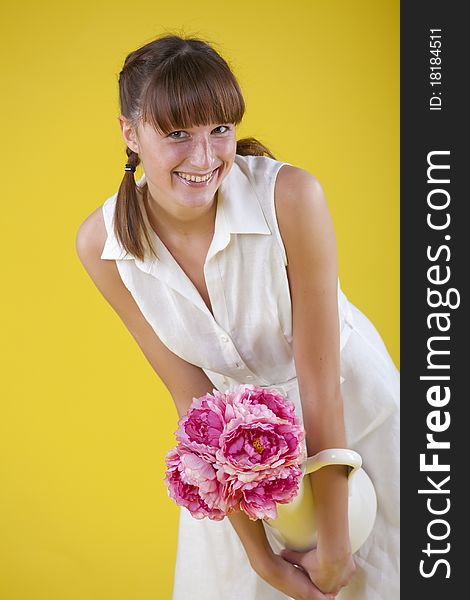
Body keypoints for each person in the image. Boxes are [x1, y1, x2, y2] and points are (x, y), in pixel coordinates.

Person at [75, 34, 399, 600]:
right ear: (130, 134)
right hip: (240, 459)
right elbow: (194, 403)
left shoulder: (292, 198)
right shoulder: (102, 245)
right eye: (177, 134)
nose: (204, 158)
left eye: (218, 129)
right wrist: (263, 562)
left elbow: (321, 384)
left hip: (353, 424)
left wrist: (337, 540)